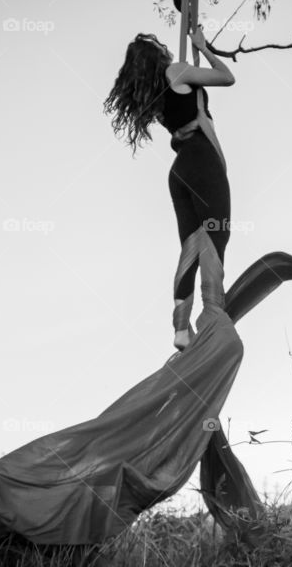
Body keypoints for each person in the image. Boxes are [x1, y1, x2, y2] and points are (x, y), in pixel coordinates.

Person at [103, 25, 235, 351]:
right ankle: (213, 313)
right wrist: (202, 47)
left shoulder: (156, 97)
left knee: (191, 245)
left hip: (179, 171)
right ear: (159, 57)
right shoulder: (176, 71)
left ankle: (181, 328)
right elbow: (226, 77)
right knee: (216, 234)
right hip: (202, 161)